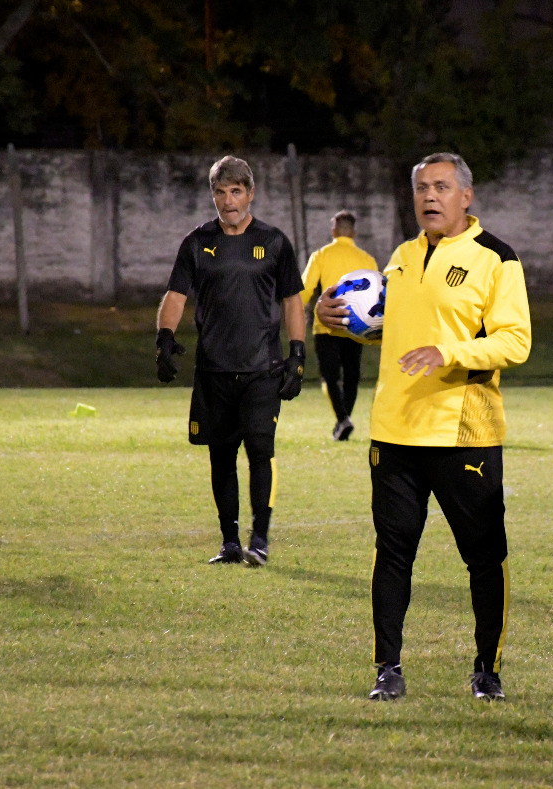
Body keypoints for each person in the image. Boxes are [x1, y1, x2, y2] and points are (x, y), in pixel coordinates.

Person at [316, 152, 531, 702]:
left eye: (440, 186)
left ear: (466, 196)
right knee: (393, 553)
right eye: (420, 188)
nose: (428, 197)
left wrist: (448, 353)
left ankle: (488, 668)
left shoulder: (496, 259)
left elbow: (515, 341)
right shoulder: (402, 257)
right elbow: (392, 332)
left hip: (464, 434)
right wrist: (339, 321)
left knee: (484, 555)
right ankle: (387, 668)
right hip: (394, 430)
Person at [155, 155, 306, 567]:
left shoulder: (274, 242)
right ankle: (230, 542)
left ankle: (260, 539)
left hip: (262, 369)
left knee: (260, 450)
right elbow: (176, 295)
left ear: (250, 193)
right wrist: (164, 337)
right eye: (220, 192)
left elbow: (293, 300)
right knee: (221, 457)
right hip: (214, 370)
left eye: (236, 191)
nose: (228, 200)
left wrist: (297, 353)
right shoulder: (197, 242)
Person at [299, 210, 379, 441]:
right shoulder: (367, 259)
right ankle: (343, 421)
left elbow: (305, 289)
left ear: (333, 231)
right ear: (354, 232)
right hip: (357, 328)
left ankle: (343, 420)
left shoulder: (322, 255)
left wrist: (294, 311)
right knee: (352, 375)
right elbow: (378, 295)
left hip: (327, 326)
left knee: (330, 376)